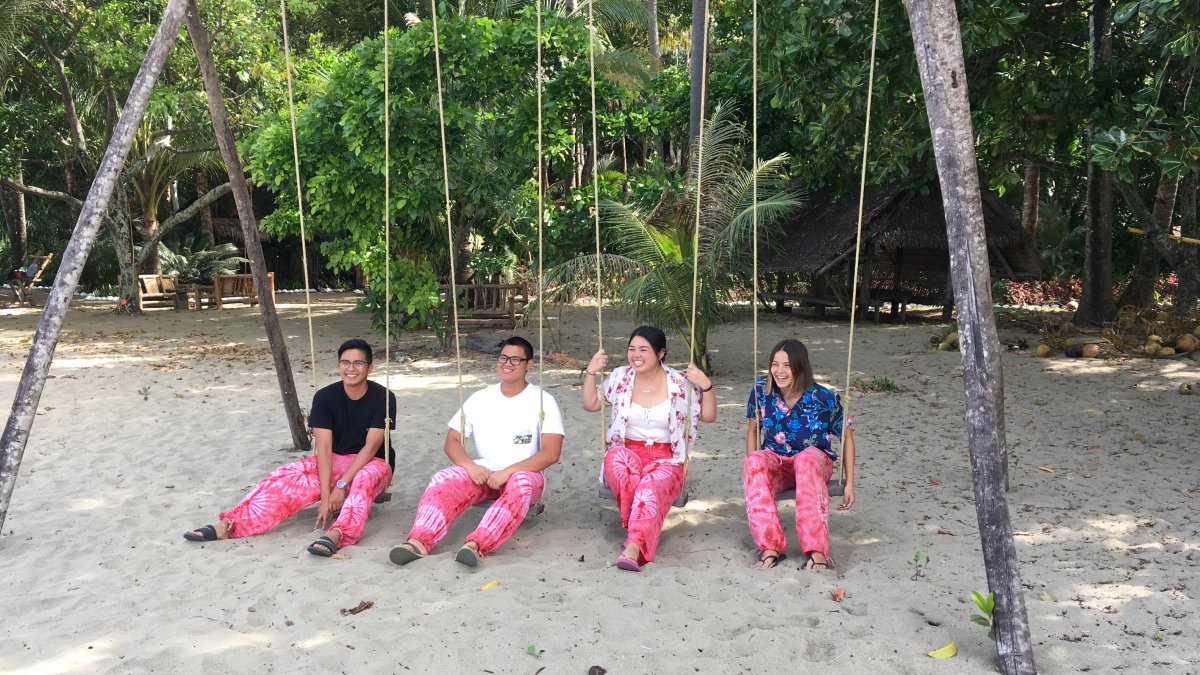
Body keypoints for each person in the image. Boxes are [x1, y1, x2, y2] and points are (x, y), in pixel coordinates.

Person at [183, 338, 397, 557]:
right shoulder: (325, 397)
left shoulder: (383, 397)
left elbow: (371, 448)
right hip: (333, 460)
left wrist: (341, 485)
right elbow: (323, 449)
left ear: (370, 367)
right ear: (338, 366)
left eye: (358, 363)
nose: (351, 369)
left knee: (362, 480)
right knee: (284, 475)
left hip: (372, 464)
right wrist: (325, 496)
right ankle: (229, 524)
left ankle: (339, 533)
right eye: (345, 363)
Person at [390, 336, 564, 568]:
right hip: (483, 470)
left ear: (528, 365)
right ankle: (418, 541)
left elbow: (551, 453)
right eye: (503, 357)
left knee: (520, 483)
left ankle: (476, 545)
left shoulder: (544, 400)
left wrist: (507, 472)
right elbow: (452, 440)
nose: (507, 363)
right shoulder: (480, 398)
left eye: (515, 359)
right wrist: (471, 466)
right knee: (443, 478)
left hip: (525, 473)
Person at [582, 325, 716, 572]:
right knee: (619, 463)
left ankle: (633, 546)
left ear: (661, 353)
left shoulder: (679, 382)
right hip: (627, 452)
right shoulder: (621, 377)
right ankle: (640, 526)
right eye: (631, 349)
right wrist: (591, 371)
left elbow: (708, 416)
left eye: (644, 349)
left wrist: (706, 386)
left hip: (667, 458)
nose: (636, 355)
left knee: (649, 487)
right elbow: (591, 404)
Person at [743, 338, 855, 570]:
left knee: (805, 458)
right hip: (779, 463)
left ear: (800, 367)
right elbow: (753, 430)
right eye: (775, 364)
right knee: (754, 460)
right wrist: (753, 469)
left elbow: (847, 438)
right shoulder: (761, 392)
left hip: (815, 463)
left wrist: (850, 483)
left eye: (787, 365)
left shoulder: (824, 398)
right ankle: (769, 547)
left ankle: (817, 552)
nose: (779, 371)